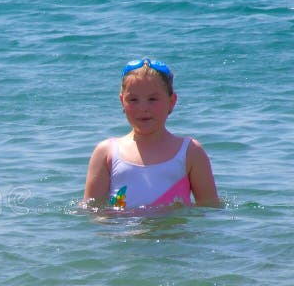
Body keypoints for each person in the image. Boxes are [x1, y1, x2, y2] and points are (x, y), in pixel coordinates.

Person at [83, 58, 220, 210]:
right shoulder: (106, 152)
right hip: (124, 233)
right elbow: (93, 212)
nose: (143, 108)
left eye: (152, 99)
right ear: (122, 102)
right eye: (133, 99)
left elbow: (211, 209)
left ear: (172, 101)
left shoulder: (190, 152)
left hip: (173, 233)